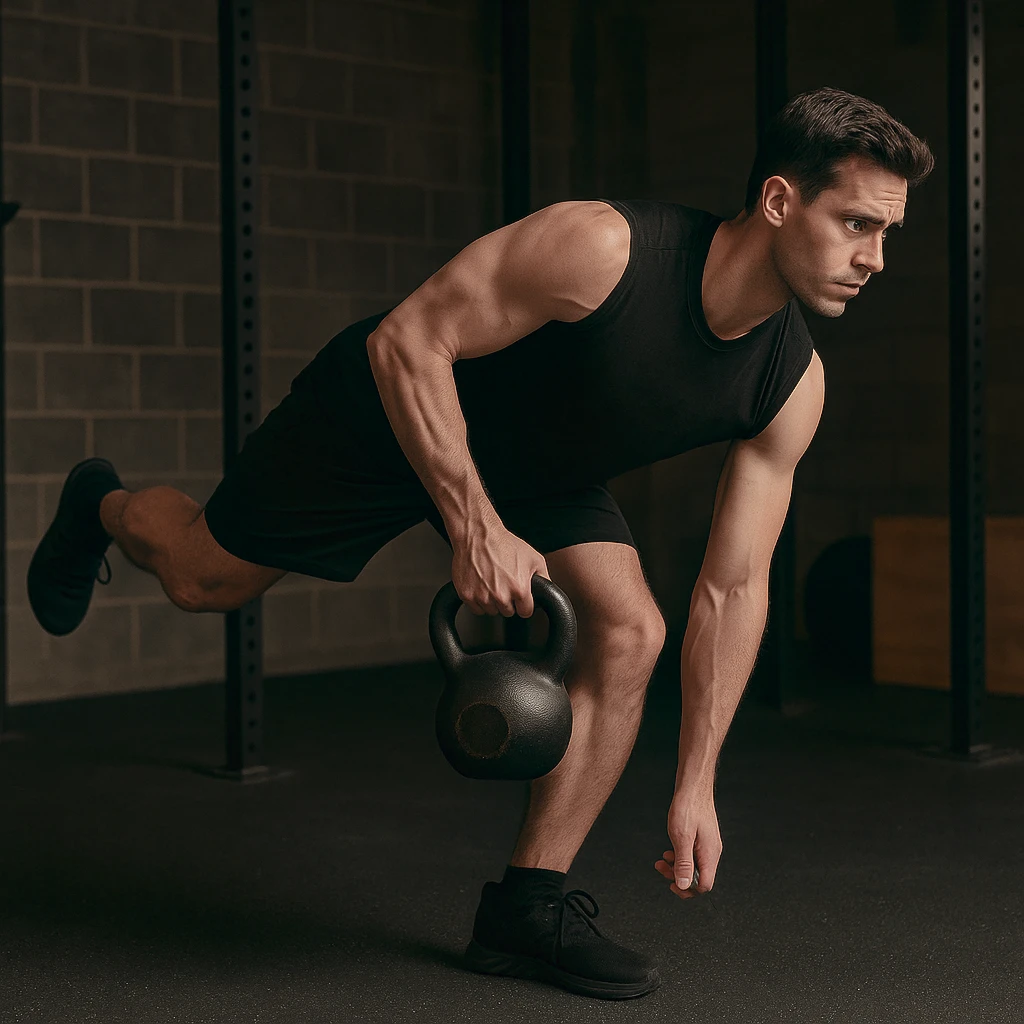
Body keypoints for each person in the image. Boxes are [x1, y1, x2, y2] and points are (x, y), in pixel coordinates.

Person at [27, 87, 933, 1000]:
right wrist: (473, 525)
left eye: (886, 233)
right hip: (387, 412)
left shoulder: (790, 382)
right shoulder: (605, 248)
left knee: (632, 632)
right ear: (779, 201)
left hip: (539, 469)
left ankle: (524, 912)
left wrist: (697, 781)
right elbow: (408, 339)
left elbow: (733, 591)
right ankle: (97, 506)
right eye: (857, 223)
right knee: (201, 578)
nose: (875, 258)